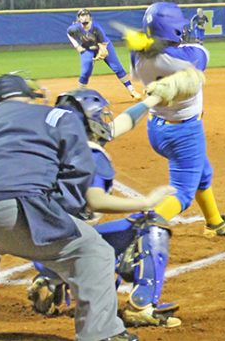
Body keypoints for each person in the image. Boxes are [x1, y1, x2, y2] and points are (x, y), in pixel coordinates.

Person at [0, 73, 137, 341]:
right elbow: (78, 168)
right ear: (27, 96)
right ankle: (103, 335)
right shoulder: (57, 116)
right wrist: (59, 215)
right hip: (11, 209)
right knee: (94, 252)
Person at [26, 88, 181, 329]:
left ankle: (50, 279)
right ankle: (142, 307)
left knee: (77, 232)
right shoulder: (91, 154)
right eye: (99, 116)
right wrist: (146, 202)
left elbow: (124, 122)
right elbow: (95, 200)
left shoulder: (50, 147)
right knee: (151, 224)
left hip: (38, 246)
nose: (104, 120)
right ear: (88, 122)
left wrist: (153, 99)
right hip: (72, 249)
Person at [123, 2, 225, 238]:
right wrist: (197, 36)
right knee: (182, 193)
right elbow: (200, 52)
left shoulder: (137, 56)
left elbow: (149, 51)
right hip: (183, 133)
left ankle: (215, 222)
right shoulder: (188, 56)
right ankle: (139, 231)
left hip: (157, 128)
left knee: (202, 172)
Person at [68, 8, 141, 99]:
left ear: (90, 18)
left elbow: (103, 46)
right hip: (87, 48)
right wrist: (77, 46)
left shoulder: (96, 28)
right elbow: (69, 33)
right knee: (86, 71)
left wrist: (100, 54)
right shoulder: (75, 28)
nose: (85, 17)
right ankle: (79, 94)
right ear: (79, 18)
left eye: (87, 15)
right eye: (82, 16)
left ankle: (132, 90)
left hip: (104, 46)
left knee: (117, 68)